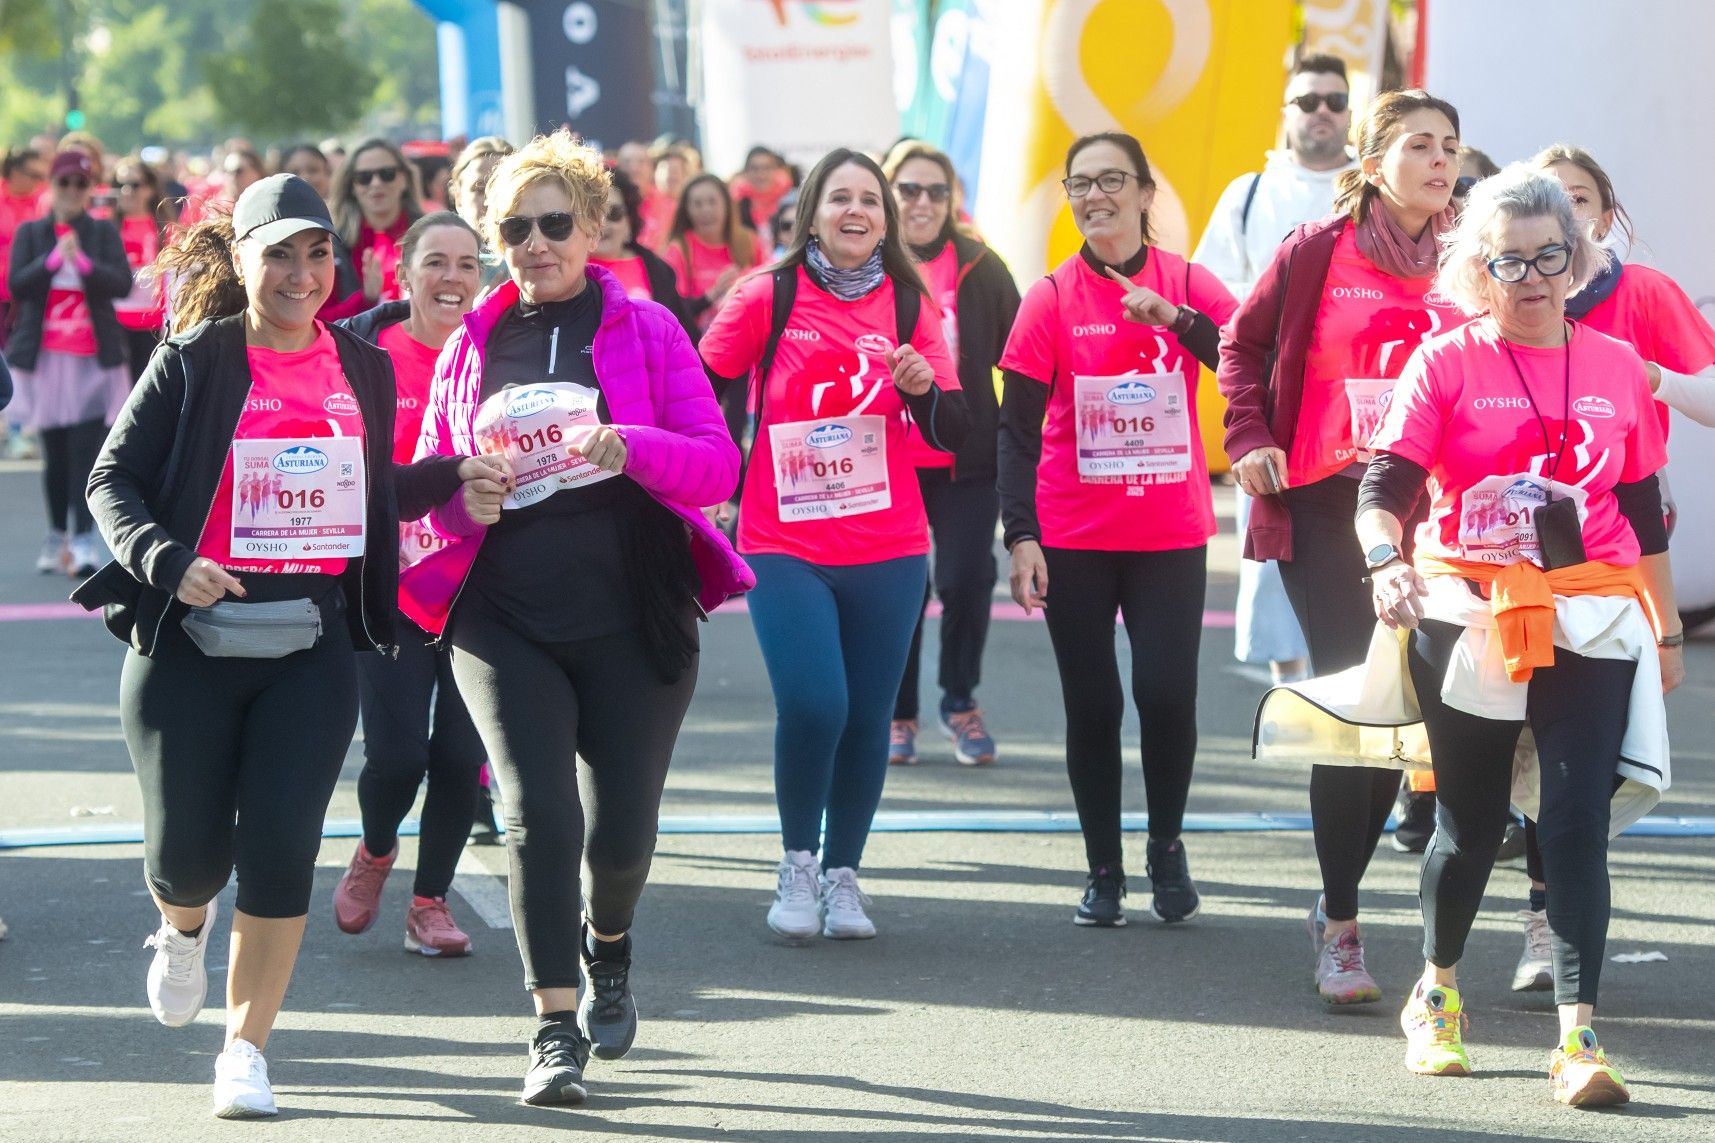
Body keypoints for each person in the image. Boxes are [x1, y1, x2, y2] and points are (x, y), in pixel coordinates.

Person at [79, 173, 484, 1118]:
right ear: (244, 259)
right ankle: (182, 928)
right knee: (188, 860)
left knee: (279, 848)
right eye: (281, 254)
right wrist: (169, 560)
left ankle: (245, 1048)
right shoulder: (195, 360)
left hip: (309, 644)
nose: (303, 273)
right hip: (188, 637)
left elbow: (367, 491)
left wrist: (453, 476)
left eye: (318, 254)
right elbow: (111, 480)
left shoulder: (363, 365)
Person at [399, 129, 751, 1106]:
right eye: (515, 227)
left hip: (633, 612)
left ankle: (609, 943)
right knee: (533, 815)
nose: (536, 242)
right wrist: (458, 493)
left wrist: (629, 445)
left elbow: (716, 465)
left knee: (620, 836)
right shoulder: (471, 343)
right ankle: (553, 1026)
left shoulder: (646, 330)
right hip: (501, 615)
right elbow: (432, 478)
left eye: (556, 223)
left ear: (594, 226)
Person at [1356, 164, 1678, 1107]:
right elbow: (1385, 487)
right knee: (1471, 821)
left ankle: (1578, 1039)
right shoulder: (1446, 360)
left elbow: (1638, 507)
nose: (1532, 276)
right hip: (1470, 608)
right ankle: (1437, 990)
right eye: (1510, 260)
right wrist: (1385, 561)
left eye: (1550, 255)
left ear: (1575, 260)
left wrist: (1663, 632)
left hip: (1589, 609)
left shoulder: (1616, 364)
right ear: (1477, 269)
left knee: (1575, 825)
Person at [1217, 89, 1464, 1001]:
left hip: (1437, 515)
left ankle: (1334, 902)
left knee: (1406, 717)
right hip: (1325, 506)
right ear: (1369, 162)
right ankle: (1344, 924)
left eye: (1449, 146)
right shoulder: (1316, 250)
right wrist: (1249, 439)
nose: (1440, 161)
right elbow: (1238, 351)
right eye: (1419, 146)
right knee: (1355, 703)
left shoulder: (1470, 259)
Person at [700, 146, 967, 944]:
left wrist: (921, 389)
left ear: (887, 221)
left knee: (867, 717)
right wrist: (709, 476)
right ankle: (796, 862)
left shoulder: (914, 306)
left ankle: (843, 874)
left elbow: (958, 431)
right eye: (840, 198)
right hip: (784, 540)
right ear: (811, 211)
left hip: (887, 545)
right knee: (817, 702)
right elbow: (702, 386)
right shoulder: (766, 296)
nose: (857, 212)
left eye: (871, 202)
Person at [1489, 144, 1715, 994]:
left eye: (1578, 202)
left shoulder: (1642, 297)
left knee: (1575, 759)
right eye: (1548, 202)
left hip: (1615, 529)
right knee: (1499, 752)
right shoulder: (1492, 305)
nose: (1564, 219)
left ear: (1604, 218)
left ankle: (1548, 924)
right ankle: (1449, 923)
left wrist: (1643, 378)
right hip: (1503, 545)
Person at [998, 132, 1236, 929]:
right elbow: (1016, 432)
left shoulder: (1184, 282)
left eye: (1111, 181)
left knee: (1166, 695)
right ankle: (1103, 866)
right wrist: (1019, 535)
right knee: (1093, 704)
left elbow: (1246, 363)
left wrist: (1177, 319)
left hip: (1169, 528)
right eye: (1080, 183)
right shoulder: (1052, 297)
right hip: (1074, 533)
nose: (1095, 195)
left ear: (1143, 194)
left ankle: (1164, 842)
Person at [330, 211, 489, 958]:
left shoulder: (499, 357)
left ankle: (429, 902)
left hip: (478, 590)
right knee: (397, 756)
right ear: (404, 273)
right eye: (435, 262)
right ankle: (375, 847)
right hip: (387, 588)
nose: (452, 278)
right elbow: (351, 476)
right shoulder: (363, 353)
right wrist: (440, 479)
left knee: (461, 754)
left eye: (467, 263)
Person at [1197, 52, 1355, 691]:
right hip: (1274, 395)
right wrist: (1275, 316)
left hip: (1357, 396)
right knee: (1275, 535)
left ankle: (1352, 673)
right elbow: (1209, 287)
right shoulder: (1250, 193)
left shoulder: (1368, 192)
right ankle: (1290, 683)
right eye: (1308, 100)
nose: (1322, 112)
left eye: (1335, 101)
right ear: (1286, 112)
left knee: (1363, 528)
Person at [882, 142, 1020, 766]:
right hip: (885, 460)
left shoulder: (981, 266)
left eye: (936, 191)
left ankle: (959, 701)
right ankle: (897, 713)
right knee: (902, 589)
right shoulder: (866, 265)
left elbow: (1019, 363)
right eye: (909, 189)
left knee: (968, 578)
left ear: (952, 199)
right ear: (888, 192)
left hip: (966, 458)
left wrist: (1028, 446)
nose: (922, 202)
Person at [6, 148, 133, 578]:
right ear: (53, 186)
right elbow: (17, 285)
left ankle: (83, 538)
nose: (73, 191)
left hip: (92, 361)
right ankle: (56, 532)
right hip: (45, 361)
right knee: (54, 455)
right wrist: (52, 262)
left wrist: (82, 263)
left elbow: (120, 282)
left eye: (81, 184)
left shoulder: (101, 233)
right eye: (65, 183)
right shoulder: (32, 232)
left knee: (88, 453)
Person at [321, 137, 425, 321]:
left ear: (404, 179)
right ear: (352, 186)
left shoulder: (429, 234)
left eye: (387, 174)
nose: (376, 183)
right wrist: (365, 300)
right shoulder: (331, 242)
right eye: (364, 178)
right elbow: (319, 320)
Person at [591, 166, 693, 337]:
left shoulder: (657, 269)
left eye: (614, 213)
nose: (603, 224)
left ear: (629, 222)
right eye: (593, 215)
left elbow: (683, 335)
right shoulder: (567, 271)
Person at [662, 171, 764, 336]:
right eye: (697, 204)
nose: (706, 210)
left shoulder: (750, 241)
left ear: (727, 205)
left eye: (712, 202)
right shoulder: (679, 250)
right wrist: (713, 294)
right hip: (699, 346)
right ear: (687, 210)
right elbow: (672, 310)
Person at [111, 157, 168, 382]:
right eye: (119, 185)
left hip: (152, 326)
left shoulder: (164, 228)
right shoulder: (106, 226)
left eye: (135, 185)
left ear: (150, 189)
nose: (127, 191)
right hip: (113, 324)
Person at [448, 135, 514, 291]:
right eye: (479, 189)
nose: (489, 200)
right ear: (459, 199)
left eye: (500, 188)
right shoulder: (434, 258)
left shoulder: (540, 253)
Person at [0, 147, 48, 342]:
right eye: (34, 175)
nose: (40, 181)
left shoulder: (45, 202)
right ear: (14, 173)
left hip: (31, 298)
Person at [730, 145, 794, 245]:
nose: (761, 175)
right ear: (746, 172)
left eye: (766, 168)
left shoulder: (790, 201)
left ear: (775, 170)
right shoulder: (737, 204)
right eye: (755, 169)